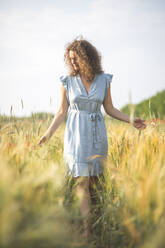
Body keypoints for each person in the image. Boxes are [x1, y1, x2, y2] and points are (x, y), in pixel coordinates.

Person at [37, 37, 147, 240]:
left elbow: (110, 109)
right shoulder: (67, 81)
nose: (73, 63)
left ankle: (98, 225)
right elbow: (61, 111)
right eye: (70, 59)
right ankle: (87, 232)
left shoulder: (104, 80)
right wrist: (47, 134)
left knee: (95, 184)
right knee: (82, 183)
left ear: (87, 57)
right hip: (76, 136)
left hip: (97, 135)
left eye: (76, 58)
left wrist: (131, 120)